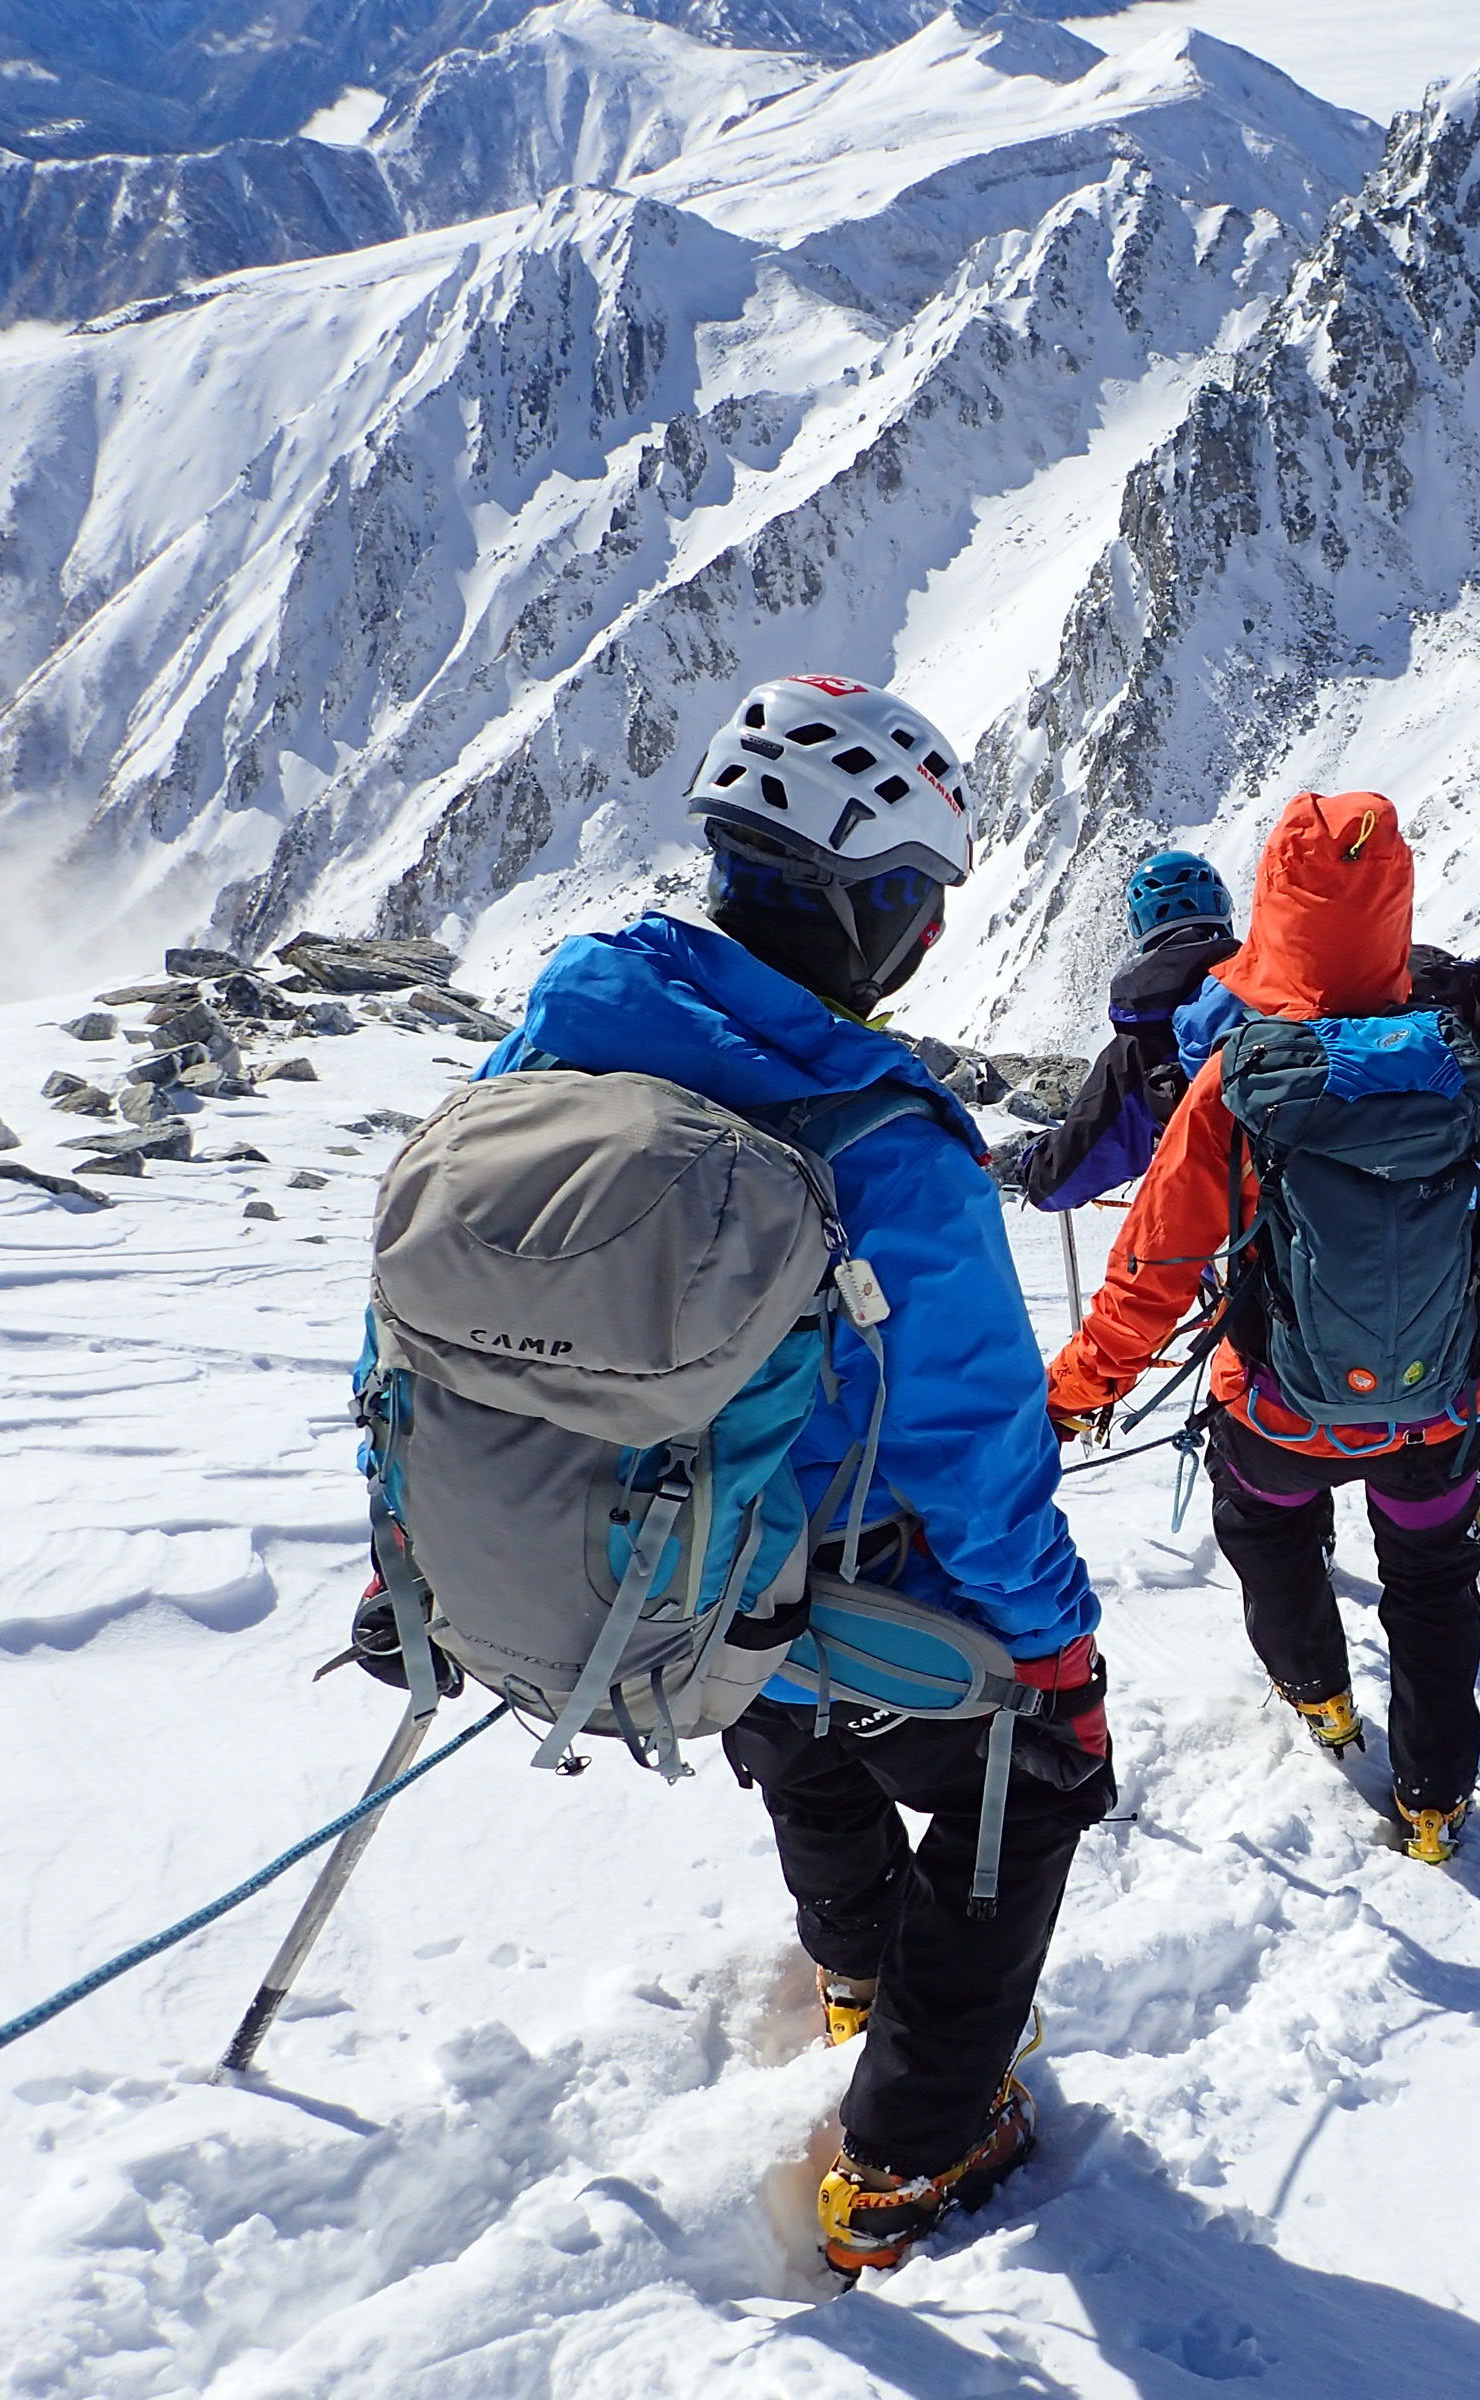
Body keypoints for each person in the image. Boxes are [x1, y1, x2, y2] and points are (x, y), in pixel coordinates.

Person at [483, 674, 1111, 2278]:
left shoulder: (561, 1034)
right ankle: (912, 2154)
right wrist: (1059, 1657)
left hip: (634, 1563)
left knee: (783, 1720)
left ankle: (853, 1973)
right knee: (1022, 1791)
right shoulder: (890, 1143)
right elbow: (980, 1453)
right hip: (835, 1578)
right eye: (922, 906)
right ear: (881, 909)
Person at [1044, 792, 1480, 1864]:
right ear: (1392, 906)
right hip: (1438, 1415)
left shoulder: (1239, 1079)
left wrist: (1078, 1391)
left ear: (1276, 909)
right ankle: (1431, 1807)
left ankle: (1323, 1704)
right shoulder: (1468, 1067)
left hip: (1276, 1409)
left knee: (1268, 1537)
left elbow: (1153, 1267)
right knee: (1429, 1587)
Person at [1007, 851, 1241, 1211]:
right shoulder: (1277, 992)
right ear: (1223, 908)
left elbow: (1062, 1179)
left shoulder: (1139, 1047)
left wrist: (1033, 1162)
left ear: (1139, 927)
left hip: (1232, 1242)